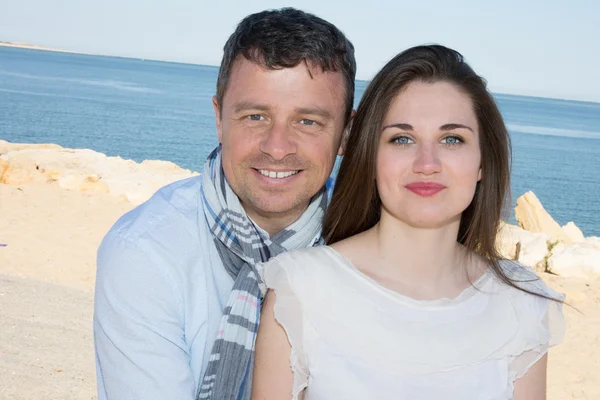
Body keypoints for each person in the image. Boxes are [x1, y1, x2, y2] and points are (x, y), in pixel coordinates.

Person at [252, 45, 565, 400]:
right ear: (371, 156)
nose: (427, 162)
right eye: (402, 139)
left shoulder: (520, 302)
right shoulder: (300, 289)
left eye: (452, 139)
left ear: (482, 163)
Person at [93, 8, 356, 400]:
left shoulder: (367, 241)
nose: (277, 147)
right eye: (255, 116)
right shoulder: (145, 253)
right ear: (219, 118)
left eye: (308, 122)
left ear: (345, 135)